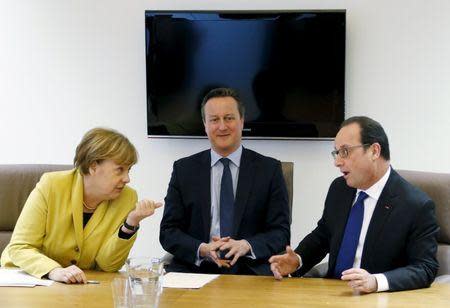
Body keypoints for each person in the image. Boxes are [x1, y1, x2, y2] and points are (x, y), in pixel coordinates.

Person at [269, 116, 439, 292]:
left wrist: (376, 282)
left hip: (379, 300)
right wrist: (297, 260)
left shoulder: (415, 205)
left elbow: (425, 268)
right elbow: (323, 236)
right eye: (336, 153)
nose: (337, 162)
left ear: (374, 151)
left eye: (345, 152)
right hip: (331, 296)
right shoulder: (339, 189)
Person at [1, 128, 162, 283]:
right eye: (119, 170)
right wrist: (54, 271)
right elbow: (20, 247)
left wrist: (130, 224)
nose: (127, 178)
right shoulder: (52, 185)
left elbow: (107, 266)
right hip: (26, 279)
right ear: (93, 167)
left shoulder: (127, 197)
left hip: (79, 286)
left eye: (129, 170)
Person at [160, 87, 290, 275]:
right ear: (205, 124)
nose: (222, 126)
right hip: (197, 270)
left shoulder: (269, 170)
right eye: (214, 120)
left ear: (241, 121)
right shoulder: (184, 170)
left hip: (250, 270)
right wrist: (202, 248)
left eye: (229, 118)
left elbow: (281, 232)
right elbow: (168, 232)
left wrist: (247, 245)